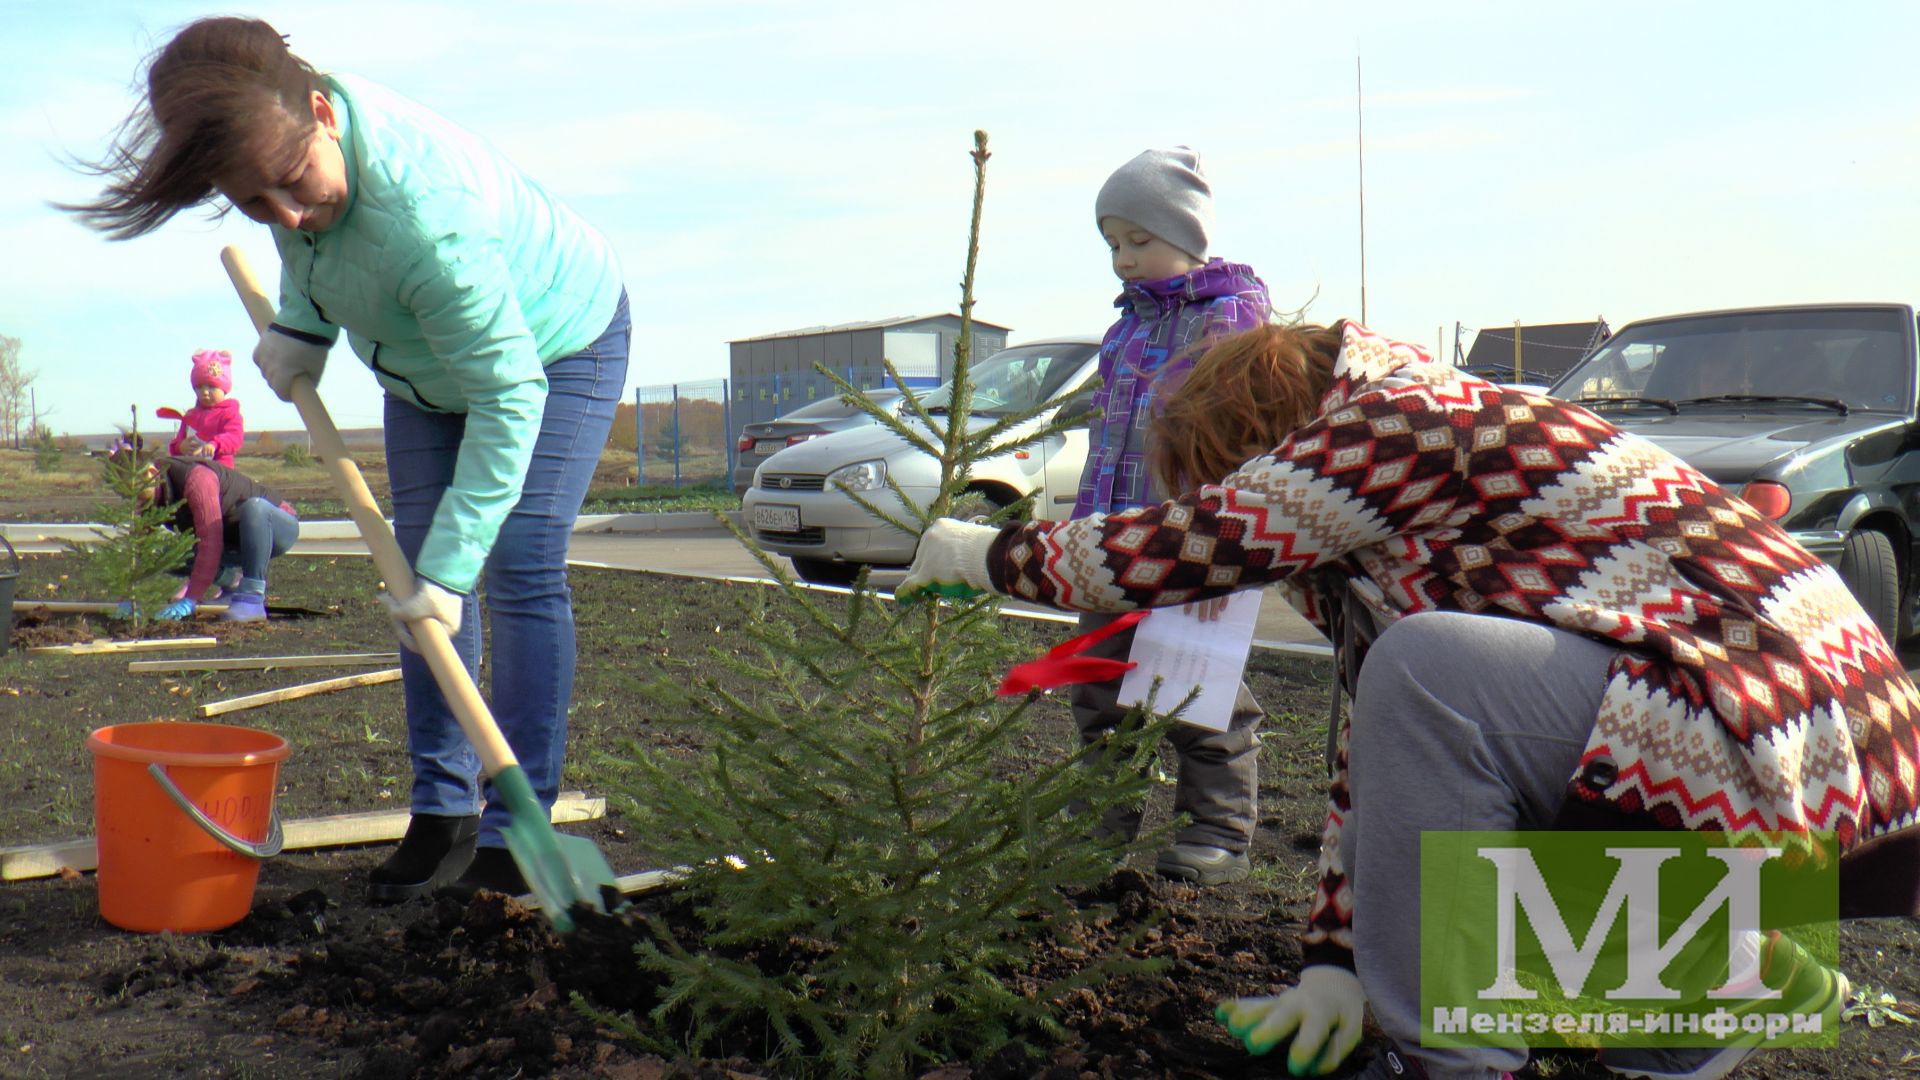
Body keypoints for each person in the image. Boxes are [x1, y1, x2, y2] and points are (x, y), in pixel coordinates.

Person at [900, 322, 1920, 1079]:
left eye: (1231, 471)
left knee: (1432, 678)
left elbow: (1188, 546)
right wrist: (1333, 961)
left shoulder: (1399, 420)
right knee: (1440, 721)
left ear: (1268, 440)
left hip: (1772, 719)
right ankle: (1705, 991)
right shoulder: (1425, 516)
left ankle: (1454, 1059)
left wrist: (989, 552)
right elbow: (1386, 774)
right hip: (1820, 752)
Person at [69, 16, 631, 903]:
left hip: (555, 351)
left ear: (325, 114)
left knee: (509, 565)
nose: (285, 215)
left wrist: (449, 571)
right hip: (424, 372)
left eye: (292, 182)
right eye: (253, 202)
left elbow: (509, 395)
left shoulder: (429, 222)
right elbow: (315, 242)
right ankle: (442, 809)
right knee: (411, 574)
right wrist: (302, 325)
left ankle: (521, 825)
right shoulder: (283, 147)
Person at [1070, 146, 1276, 886]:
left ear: (1188, 238)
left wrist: (1227, 547)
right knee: (1098, 685)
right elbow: (1107, 433)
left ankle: (1215, 832)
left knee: (1197, 686)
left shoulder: (1233, 317)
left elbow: (1243, 437)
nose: (1123, 258)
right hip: (1113, 537)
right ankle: (1096, 829)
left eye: (1139, 241)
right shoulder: (1125, 327)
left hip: (1194, 540)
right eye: (1113, 244)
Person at [129, 451, 298, 623]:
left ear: (150, 473)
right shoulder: (150, 498)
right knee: (168, 553)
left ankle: (252, 596)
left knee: (255, 508)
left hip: (272, 528)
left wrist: (191, 599)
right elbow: (141, 548)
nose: (130, 496)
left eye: (133, 486)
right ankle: (232, 586)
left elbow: (210, 542)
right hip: (233, 539)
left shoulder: (197, 479)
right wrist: (127, 597)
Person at [167, 349, 246, 467]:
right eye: (199, 388)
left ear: (224, 389)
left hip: (218, 468)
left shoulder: (229, 413)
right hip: (190, 466)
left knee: (203, 479)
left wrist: (215, 445)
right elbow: (178, 440)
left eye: (211, 387)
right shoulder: (190, 416)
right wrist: (180, 446)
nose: (204, 392)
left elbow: (234, 437)